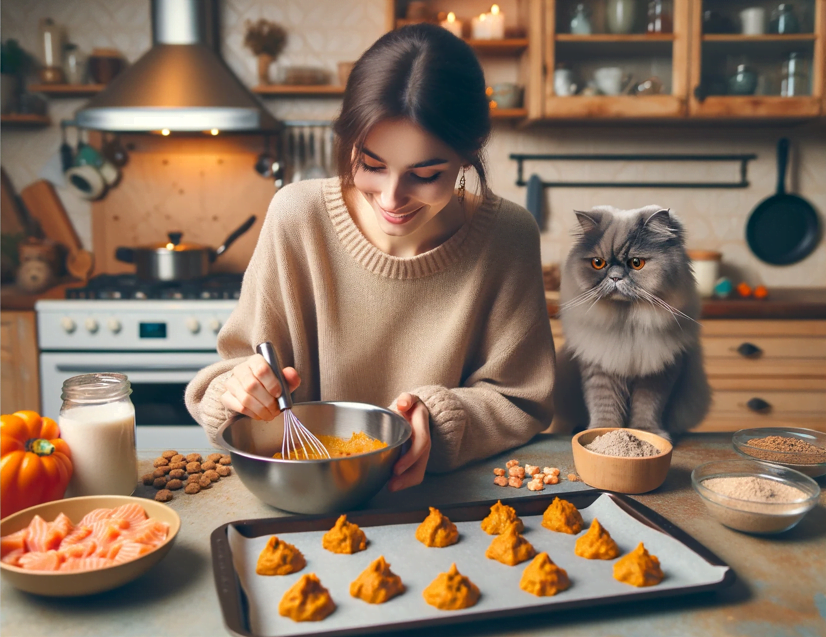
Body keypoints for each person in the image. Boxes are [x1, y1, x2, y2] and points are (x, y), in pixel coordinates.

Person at [185, 23, 555, 492]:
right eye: (372, 165)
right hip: (304, 501)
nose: (392, 198)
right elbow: (229, 375)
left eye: (425, 174)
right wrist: (237, 391)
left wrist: (442, 422)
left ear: (468, 155)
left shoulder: (509, 235)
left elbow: (523, 399)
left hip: (445, 503)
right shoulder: (298, 217)